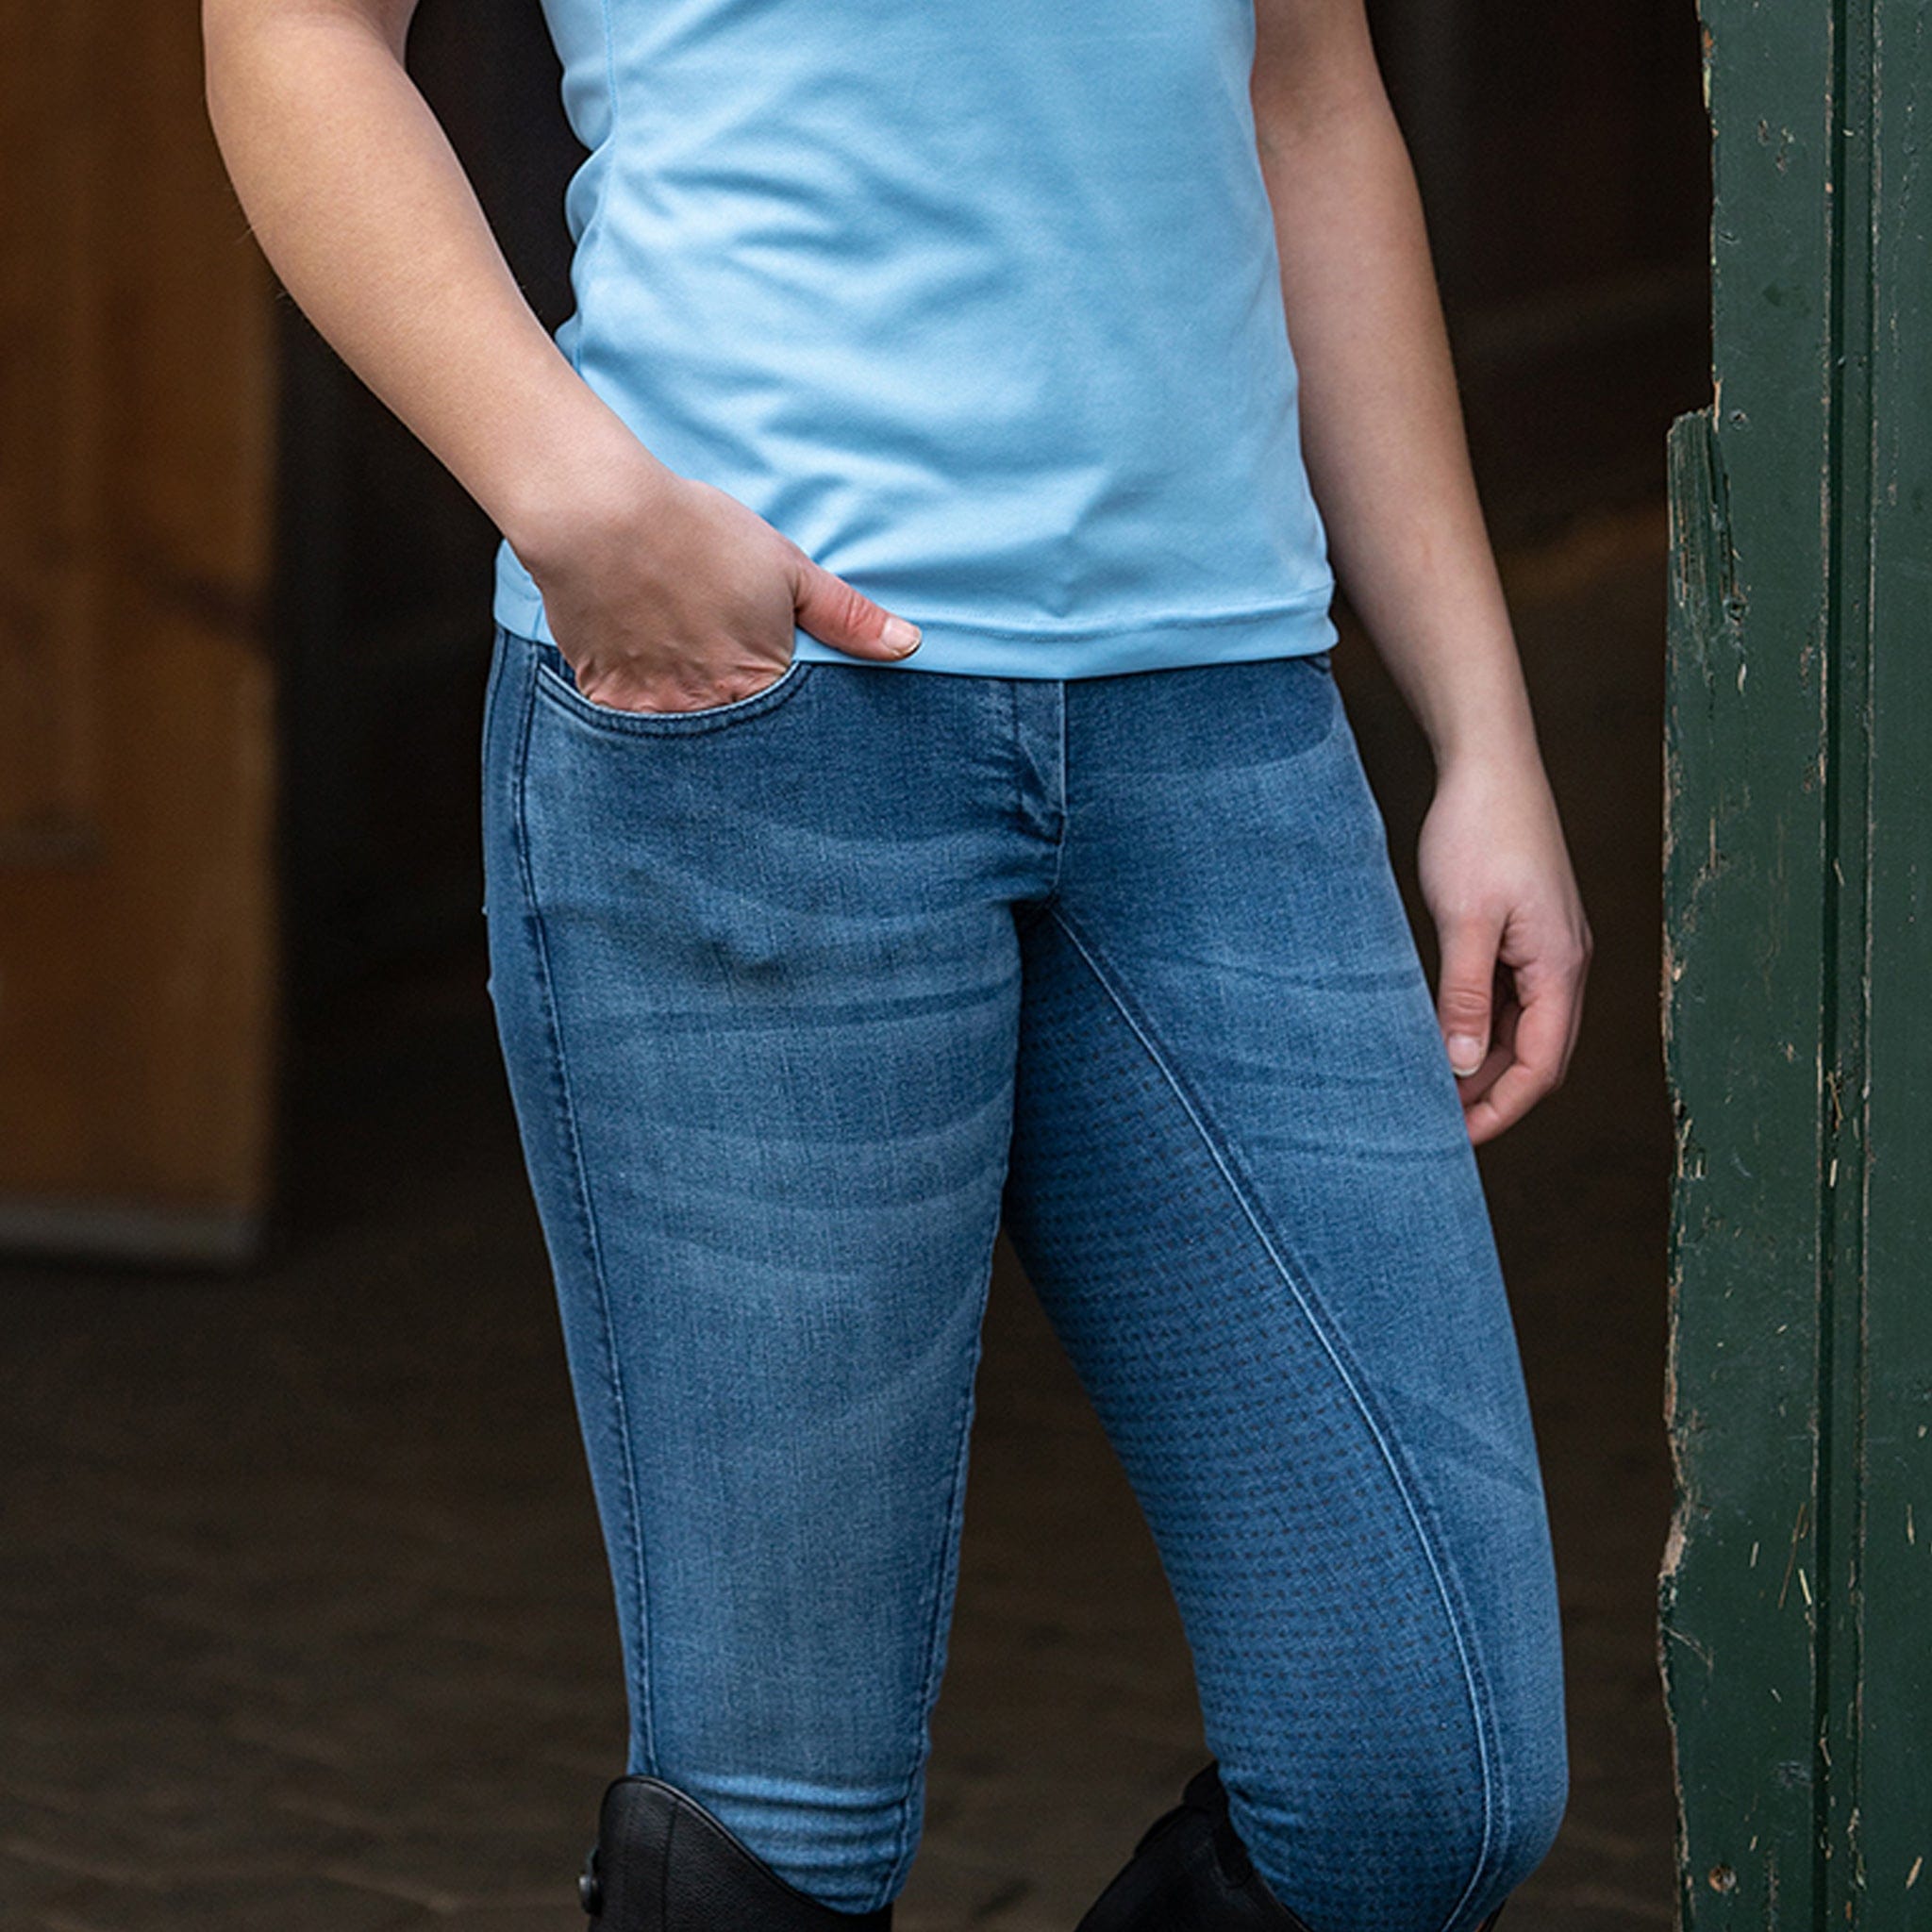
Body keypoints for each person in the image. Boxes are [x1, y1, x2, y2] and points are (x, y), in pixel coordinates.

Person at [203, 0, 1592, 1926]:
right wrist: (576, 494)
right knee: (777, 1839)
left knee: (1425, 1784)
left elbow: (1309, 100)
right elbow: (292, 33)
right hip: (751, 722)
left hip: (1222, 737)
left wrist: (1485, 729)